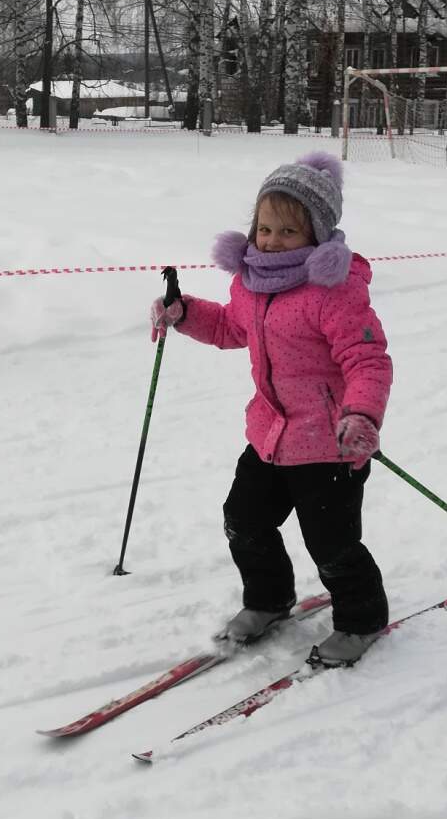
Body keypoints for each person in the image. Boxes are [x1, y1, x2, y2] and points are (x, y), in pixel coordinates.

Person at [149, 152, 392, 667]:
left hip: (330, 443)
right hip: (270, 435)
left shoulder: (335, 291)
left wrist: (362, 415)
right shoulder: (252, 282)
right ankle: (267, 599)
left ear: (317, 235)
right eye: (264, 228)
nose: (272, 240)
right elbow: (232, 329)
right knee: (244, 519)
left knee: (331, 544)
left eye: (287, 231)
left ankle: (363, 618)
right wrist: (185, 312)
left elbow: (367, 359)